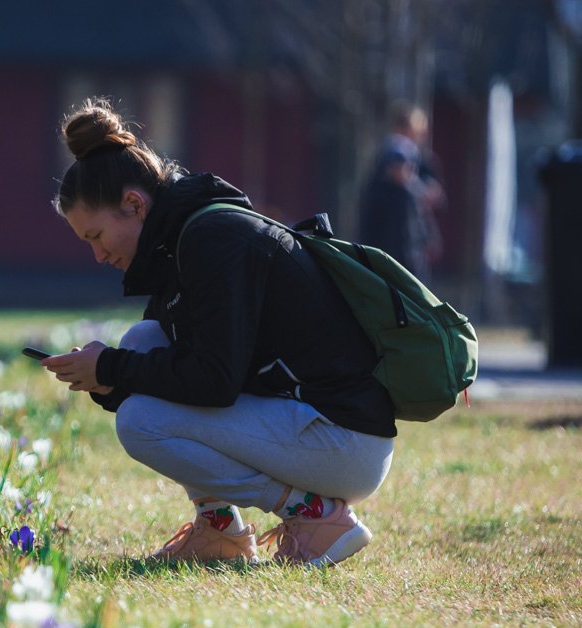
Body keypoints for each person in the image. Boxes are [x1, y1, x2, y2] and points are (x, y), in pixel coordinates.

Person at [39, 98, 396, 567]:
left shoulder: (213, 240)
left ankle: (315, 517)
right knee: (143, 341)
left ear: (133, 204)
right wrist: (108, 381)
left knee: (139, 422)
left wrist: (110, 368)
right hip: (307, 425)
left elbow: (213, 381)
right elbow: (178, 373)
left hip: (345, 442)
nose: (98, 256)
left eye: (96, 236)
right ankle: (220, 532)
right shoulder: (177, 242)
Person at [358, 102, 445, 282]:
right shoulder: (394, 149)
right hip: (391, 241)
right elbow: (398, 176)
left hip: (407, 244)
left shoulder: (418, 158)